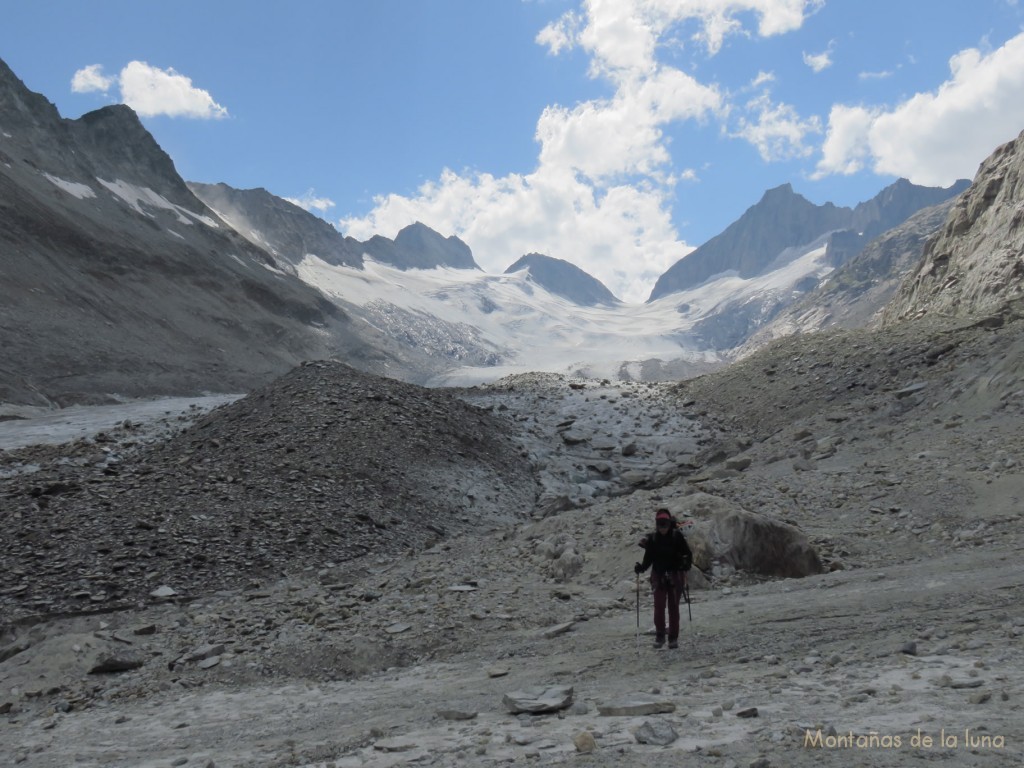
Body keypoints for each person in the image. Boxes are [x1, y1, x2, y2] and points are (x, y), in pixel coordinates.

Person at [634, 508, 693, 649]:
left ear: (668, 524)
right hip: (659, 576)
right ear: (657, 525)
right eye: (660, 526)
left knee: (673, 607)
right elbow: (648, 559)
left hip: (675, 575)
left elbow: (687, 554)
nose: (663, 529)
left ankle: (673, 638)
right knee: (659, 607)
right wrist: (641, 568)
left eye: (665, 525)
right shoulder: (653, 539)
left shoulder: (677, 537)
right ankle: (660, 636)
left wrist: (686, 564)